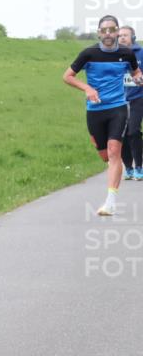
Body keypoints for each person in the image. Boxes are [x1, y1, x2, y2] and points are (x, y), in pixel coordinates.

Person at [63, 15, 143, 215]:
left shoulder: (126, 53)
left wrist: (138, 77)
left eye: (112, 29)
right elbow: (67, 76)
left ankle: (110, 201)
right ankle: (113, 167)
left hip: (118, 107)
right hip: (95, 110)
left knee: (114, 151)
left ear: (117, 32)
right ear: (99, 32)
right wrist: (87, 88)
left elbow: (135, 72)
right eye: (104, 30)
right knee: (105, 155)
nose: (108, 33)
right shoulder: (89, 53)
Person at [118, 25, 143, 181]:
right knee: (121, 135)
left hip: (138, 97)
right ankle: (128, 167)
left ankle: (139, 167)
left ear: (132, 37)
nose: (122, 38)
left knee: (133, 132)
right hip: (119, 99)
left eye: (125, 35)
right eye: (119, 35)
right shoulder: (114, 55)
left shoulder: (140, 53)